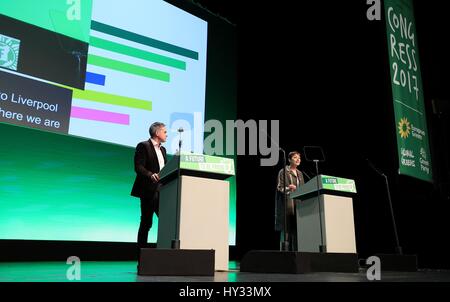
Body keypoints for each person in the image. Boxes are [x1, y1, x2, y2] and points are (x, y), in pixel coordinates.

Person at [131, 122, 168, 254]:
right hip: (148, 190)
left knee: (166, 220)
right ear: (157, 133)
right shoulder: (143, 146)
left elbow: (165, 169)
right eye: (165, 132)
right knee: (146, 223)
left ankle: (165, 253)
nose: (167, 134)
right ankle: (141, 255)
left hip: (162, 191)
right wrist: (150, 175)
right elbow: (138, 167)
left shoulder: (163, 150)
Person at [275, 151, 305, 251]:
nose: (298, 160)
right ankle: (284, 256)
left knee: (297, 231)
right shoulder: (283, 171)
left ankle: (297, 255)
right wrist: (288, 188)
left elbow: (303, 188)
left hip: (298, 205)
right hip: (287, 204)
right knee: (286, 230)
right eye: (295, 157)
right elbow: (279, 187)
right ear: (289, 159)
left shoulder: (300, 173)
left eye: (299, 158)